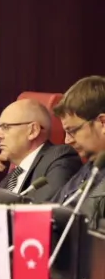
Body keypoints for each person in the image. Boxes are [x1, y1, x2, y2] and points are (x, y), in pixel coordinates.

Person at [0, 98, 81, 203]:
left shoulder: (60, 158)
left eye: (6, 127)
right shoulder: (9, 179)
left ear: (33, 131)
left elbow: (42, 209)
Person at [52, 76, 105, 214]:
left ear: (103, 123)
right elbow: (53, 210)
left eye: (72, 131)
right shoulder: (90, 167)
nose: (67, 140)